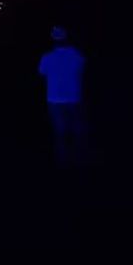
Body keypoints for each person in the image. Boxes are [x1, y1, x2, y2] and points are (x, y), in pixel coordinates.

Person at [39, 26, 88, 167]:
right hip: (74, 97)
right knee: (77, 131)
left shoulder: (46, 57)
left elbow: (42, 75)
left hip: (54, 99)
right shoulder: (78, 55)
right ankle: (80, 163)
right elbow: (82, 73)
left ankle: (64, 163)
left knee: (60, 133)